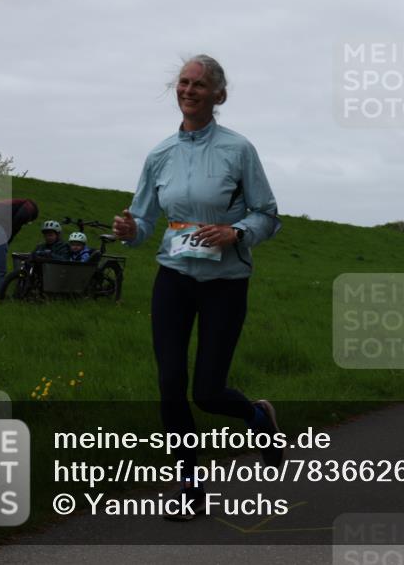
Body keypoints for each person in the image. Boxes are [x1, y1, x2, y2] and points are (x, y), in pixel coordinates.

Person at [113, 54, 282, 521]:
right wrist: (131, 231)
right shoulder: (159, 154)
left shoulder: (238, 150)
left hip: (225, 282)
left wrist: (237, 233)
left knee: (207, 391)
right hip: (174, 276)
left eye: (199, 85)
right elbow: (145, 219)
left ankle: (257, 419)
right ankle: (189, 485)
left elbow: (268, 214)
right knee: (170, 383)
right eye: (183, 83)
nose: (188, 90)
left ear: (219, 95)